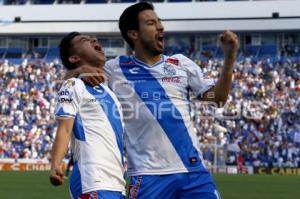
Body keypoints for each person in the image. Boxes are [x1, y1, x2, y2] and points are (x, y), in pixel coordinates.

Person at [68, 2, 239, 198]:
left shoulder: (181, 64)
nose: (160, 26)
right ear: (134, 34)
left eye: (159, 22)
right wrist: (80, 72)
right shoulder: (115, 69)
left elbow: (217, 99)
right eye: (151, 23)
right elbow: (69, 84)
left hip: (194, 173)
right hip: (147, 176)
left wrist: (230, 57)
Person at [49, 32, 126, 199]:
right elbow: (64, 128)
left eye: (95, 39)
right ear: (74, 58)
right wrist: (56, 163)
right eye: (85, 40)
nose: (94, 40)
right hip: (92, 180)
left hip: (117, 184)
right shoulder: (74, 84)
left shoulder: (109, 90)